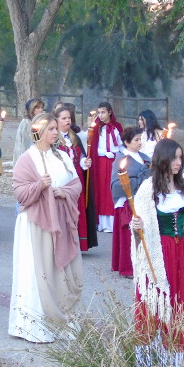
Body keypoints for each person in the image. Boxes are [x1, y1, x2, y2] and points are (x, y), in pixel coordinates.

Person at [9, 113, 83, 343]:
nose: (55, 132)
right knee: (38, 271)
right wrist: (40, 185)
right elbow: (20, 193)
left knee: (62, 270)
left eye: (55, 128)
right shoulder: (27, 159)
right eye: (50, 128)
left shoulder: (62, 156)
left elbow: (77, 183)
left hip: (60, 218)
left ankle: (62, 321)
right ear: (39, 131)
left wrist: (65, 192)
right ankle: (35, 323)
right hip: (37, 221)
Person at [130, 139, 184, 367]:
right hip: (159, 255)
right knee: (154, 304)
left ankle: (179, 364)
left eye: (181, 157)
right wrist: (135, 226)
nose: (179, 163)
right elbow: (139, 230)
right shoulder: (147, 190)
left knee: (180, 304)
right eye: (174, 158)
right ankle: (150, 365)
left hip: (179, 255)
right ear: (163, 160)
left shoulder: (183, 187)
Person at [54, 104, 97, 251]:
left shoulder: (74, 137)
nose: (68, 121)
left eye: (69, 118)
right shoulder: (53, 139)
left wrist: (84, 162)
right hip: (61, 179)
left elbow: (79, 157)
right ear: (56, 120)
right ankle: (62, 243)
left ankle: (76, 242)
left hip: (76, 178)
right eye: (64, 118)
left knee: (76, 210)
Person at [110, 126, 151, 277]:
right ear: (127, 142)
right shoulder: (121, 160)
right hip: (127, 203)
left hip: (143, 201)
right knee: (129, 236)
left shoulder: (145, 157)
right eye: (136, 140)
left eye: (141, 139)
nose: (139, 142)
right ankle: (128, 267)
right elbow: (115, 184)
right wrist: (137, 181)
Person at [91, 102, 123, 232]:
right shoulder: (96, 128)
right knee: (102, 190)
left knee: (112, 189)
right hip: (101, 162)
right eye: (99, 112)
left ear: (109, 112)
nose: (101, 115)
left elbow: (121, 144)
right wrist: (104, 153)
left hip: (113, 161)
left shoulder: (117, 127)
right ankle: (102, 223)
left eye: (103, 112)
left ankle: (114, 221)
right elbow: (93, 147)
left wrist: (117, 154)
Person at [12, 98, 45, 166]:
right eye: (38, 108)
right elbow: (26, 144)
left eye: (41, 107)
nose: (41, 110)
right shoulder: (26, 123)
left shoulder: (40, 122)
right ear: (32, 109)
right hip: (28, 157)